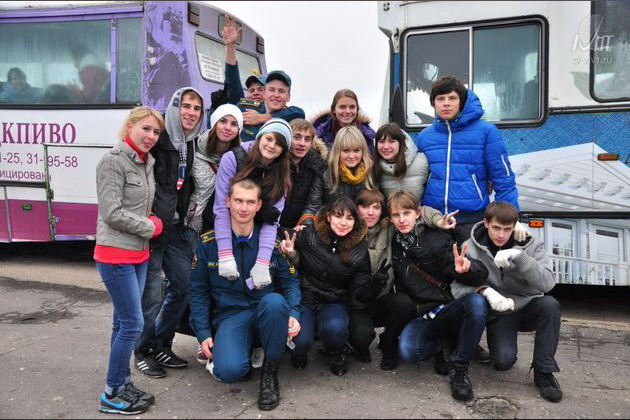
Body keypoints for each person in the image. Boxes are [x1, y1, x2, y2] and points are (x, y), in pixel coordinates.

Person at [188, 178, 301, 411]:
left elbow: (290, 282)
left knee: (275, 303)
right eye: (238, 200)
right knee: (229, 372)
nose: (243, 208)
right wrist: (203, 332)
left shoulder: (271, 242)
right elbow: (198, 291)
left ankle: (270, 375)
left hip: (264, 312)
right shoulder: (209, 243)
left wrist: (293, 313)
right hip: (231, 316)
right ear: (227, 202)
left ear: (259, 205)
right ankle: (246, 349)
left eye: (250, 202)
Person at [450, 201, 562, 403]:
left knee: (550, 305)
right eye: (496, 228)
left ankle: (544, 372)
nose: (501, 234)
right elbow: (456, 288)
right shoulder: (471, 247)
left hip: (526, 307)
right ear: (486, 223)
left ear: (515, 227)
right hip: (498, 314)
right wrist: (484, 291)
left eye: (507, 229)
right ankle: (463, 366)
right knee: (503, 362)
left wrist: (520, 257)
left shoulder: (532, 244)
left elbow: (548, 283)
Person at [94, 106, 165, 414]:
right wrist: (151, 226)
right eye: (145, 129)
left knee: (121, 323)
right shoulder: (113, 161)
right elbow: (112, 212)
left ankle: (122, 382)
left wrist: (150, 220)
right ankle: (111, 393)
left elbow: (139, 205)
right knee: (133, 325)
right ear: (130, 127)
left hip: (139, 254)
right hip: (115, 254)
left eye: (156, 132)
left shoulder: (146, 162)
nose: (151, 136)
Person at [388, 190, 489, 402]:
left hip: (445, 309)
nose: (402, 219)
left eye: (406, 213)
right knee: (409, 352)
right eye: (396, 215)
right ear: (390, 219)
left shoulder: (436, 239)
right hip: (422, 314)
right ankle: (443, 344)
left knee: (476, 303)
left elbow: (479, 274)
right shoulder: (392, 244)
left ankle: (459, 370)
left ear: (417, 213)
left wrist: (467, 269)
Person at [135, 87, 204, 378]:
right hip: (153, 229)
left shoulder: (192, 143)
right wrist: (148, 219)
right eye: (185, 106)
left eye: (197, 108)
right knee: (150, 295)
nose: (191, 113)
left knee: (183, 286)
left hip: (176, 228)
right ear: (175, 108)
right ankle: (142, 351)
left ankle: (162, 344)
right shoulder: (159, 139)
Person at [412, 75, 528, 244]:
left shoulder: (486, 131)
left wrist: (512, 218)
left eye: (452, 98)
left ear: (461, 101)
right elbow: (417, 177)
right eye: (440, 99)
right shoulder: (425, 136)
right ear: (433, 103)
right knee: (434, 260)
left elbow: (502, 177)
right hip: (435, 218)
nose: (446, 103)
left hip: (472, 218)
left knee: (473, 261)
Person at [280, 197, 371, 376]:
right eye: (338, 216)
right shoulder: (310, 235)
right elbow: (279, 233)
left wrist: (374, 285)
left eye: (349, 218)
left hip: (334, 300)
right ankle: (299, 352)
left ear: (355, 221)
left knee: (335, 329)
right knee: (300, 341)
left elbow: (360, 285)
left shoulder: (360, 250)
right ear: (328, 217)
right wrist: (290, 250)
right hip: (306, 297)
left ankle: (335, 351)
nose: (343, 223)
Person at [213, 118, 292, 290]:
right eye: (269, 139)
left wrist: (263, 262)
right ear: (260, 137)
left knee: (252, 284)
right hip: (225, 228)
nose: (272, 146)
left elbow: (273, 222)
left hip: (256, 235)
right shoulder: (233, 158)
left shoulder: (282, 177)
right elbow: (221, 206)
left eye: (279, 144)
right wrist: (225, 253)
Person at [220, 15, 304, 141]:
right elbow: (232, 82)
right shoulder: (246, 109)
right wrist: (231, 47)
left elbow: (300, 112)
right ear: (265, 93)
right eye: (272, 89)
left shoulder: (291, 116)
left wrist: (264, 117)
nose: (276, 95)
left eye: (281, 91)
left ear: (288, 97)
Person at [186, 104, 243, 233]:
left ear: (239, 129)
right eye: (223, 121)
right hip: (192, 227)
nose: (227, 127)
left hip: (224, 229)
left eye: (234, 124)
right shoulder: (194, 150)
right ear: (214, 124)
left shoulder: (242, 159)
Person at [279, 119, 328, 228]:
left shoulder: (317, 165)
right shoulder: (276, 161)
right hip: (274, 223)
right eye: (297, 137)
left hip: (303, 225)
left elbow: (313, 203)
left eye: (307, 139)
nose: (302, 143)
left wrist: (305, 225)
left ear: (312, 143)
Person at [372, 122, 429, 204]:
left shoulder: (421, 161)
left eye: (391, 141)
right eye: (381, 141)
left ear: (401, 143)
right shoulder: (374, 165)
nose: (386, 147)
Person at [320, 125, 377, 206]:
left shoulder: (371, 172)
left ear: (363, 151)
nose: (351, 156)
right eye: (346, 151)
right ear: (337, 152)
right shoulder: (326, 172)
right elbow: (314, 204)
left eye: (356, 150)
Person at [312, 89, 376, 153]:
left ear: (357, 109)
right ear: (334, 110)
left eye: (352, 107)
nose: (348, 111)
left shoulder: (366, 135)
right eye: (342, 107)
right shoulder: (318, 135)